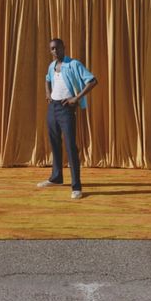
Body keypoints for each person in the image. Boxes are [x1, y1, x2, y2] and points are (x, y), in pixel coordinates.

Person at [37, 38, 97, 199]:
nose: (55, 51)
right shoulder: (52, 66)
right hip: (53, 108)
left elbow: (92, 81)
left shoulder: (74, 64)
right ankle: (56, 177)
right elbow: (47, 79)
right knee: (54, 142)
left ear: (64, 47)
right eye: (52, 49)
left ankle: (76, 186)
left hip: (66, 109)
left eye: (57, 48)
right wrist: (48, 94)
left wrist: (75, 98)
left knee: (70, 146)